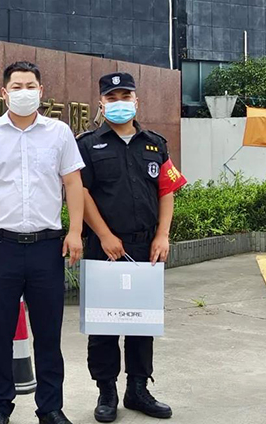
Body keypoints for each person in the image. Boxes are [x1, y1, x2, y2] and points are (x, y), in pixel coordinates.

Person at [0, 61, 86, 424]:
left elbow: (73, 183)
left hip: (47, 246)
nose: (24, 92)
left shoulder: (59, 133)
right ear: (4, 93)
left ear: (41, 91)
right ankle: (0, 405)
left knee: (48, 334)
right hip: (0, 246)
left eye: (30, 86)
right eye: (16, 87)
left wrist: (75, 231)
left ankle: (50, 407)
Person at [76, 72, 186, 423]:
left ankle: (138, 389)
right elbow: (81, 193)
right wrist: (104, 235)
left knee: (143, 323)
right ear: (101, 103)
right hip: (104, 248)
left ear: (136, 101)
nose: (119, 103)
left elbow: (167, 190)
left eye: (126, 96)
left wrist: (162, 235)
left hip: (145, 247)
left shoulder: (155, 144)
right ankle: (106, 391)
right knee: (104, 326)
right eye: (112, 98)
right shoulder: (88, 145)